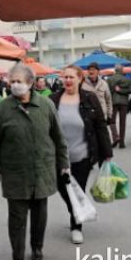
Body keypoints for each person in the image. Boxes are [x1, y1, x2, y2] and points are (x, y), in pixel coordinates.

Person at [0, 63, 69, 260]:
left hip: (42, 170)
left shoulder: (46, 105)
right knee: (17, 218)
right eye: (12, 82)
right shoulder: (3, 108)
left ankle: (37, 247)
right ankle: (18, 258)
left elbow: (59, 138)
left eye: (19, 82)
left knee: (40, 214)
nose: (15, 85)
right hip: (15, 172)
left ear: (30, 83)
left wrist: (64, 165)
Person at [50, 66, 113, 244]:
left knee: (78, 191)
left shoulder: (89, 98)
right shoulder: (53, 99)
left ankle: (76, 227)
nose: (68, 80)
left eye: (71, 77)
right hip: (58, 157)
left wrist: (106, 152)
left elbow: (100, 125)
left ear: (80, 79)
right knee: (63, 189)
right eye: (65, 77)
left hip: (83, 155)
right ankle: (76, 211)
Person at [107, 64, 131, 148]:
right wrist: (122, 90)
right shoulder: (127, 80)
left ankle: (115, 137)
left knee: (112, 121)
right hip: (124, 103)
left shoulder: (109, 79)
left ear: (115, 70)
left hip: (113, 102)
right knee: (123, 122)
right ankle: (122, 142)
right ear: (122, 70)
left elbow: (107, 92)